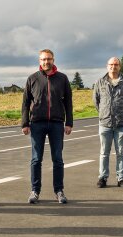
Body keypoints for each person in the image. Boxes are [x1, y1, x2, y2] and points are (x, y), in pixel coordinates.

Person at [21, 49, 73, 204]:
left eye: (49, 59)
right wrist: (25, 123)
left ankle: (59, 191)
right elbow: (25, 103)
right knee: (36, 159)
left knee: (58, 159)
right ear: (39, 61)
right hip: (37, 123)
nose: (46, 62)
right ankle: (35, 191)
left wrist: (69, 122)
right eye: (43, 59)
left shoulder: (62, 79)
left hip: (57, 123)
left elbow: (68, 102)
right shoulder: (32, 79)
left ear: (53, 60)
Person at [93, 57, 123, 188]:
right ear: (107, 66)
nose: (113, 67)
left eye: (116, 64)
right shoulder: (100, 82)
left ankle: (121, 178)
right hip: (105, 123)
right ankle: (103, 178)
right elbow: (96, 101)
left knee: (121, 152)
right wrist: (104, 113)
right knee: (104, 152)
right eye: (111, 64)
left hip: (121, 123)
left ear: (120, 66)